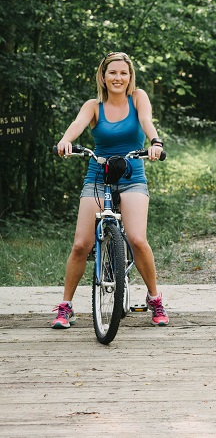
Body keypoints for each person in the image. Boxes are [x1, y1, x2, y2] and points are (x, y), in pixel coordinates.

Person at [52, 52, 168, 328]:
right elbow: (76, 126)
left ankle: (155, 298)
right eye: (112, 73)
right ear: (103, 77)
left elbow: (147, 122)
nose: (118, 78)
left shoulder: (138, 97)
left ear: (130, 77)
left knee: (138, 239)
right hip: (98, 176)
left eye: (123, 73)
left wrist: (156, 142)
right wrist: (65, 141)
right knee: (81, 244)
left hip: (132, 175)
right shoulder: (93, 106)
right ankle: (65, 306)